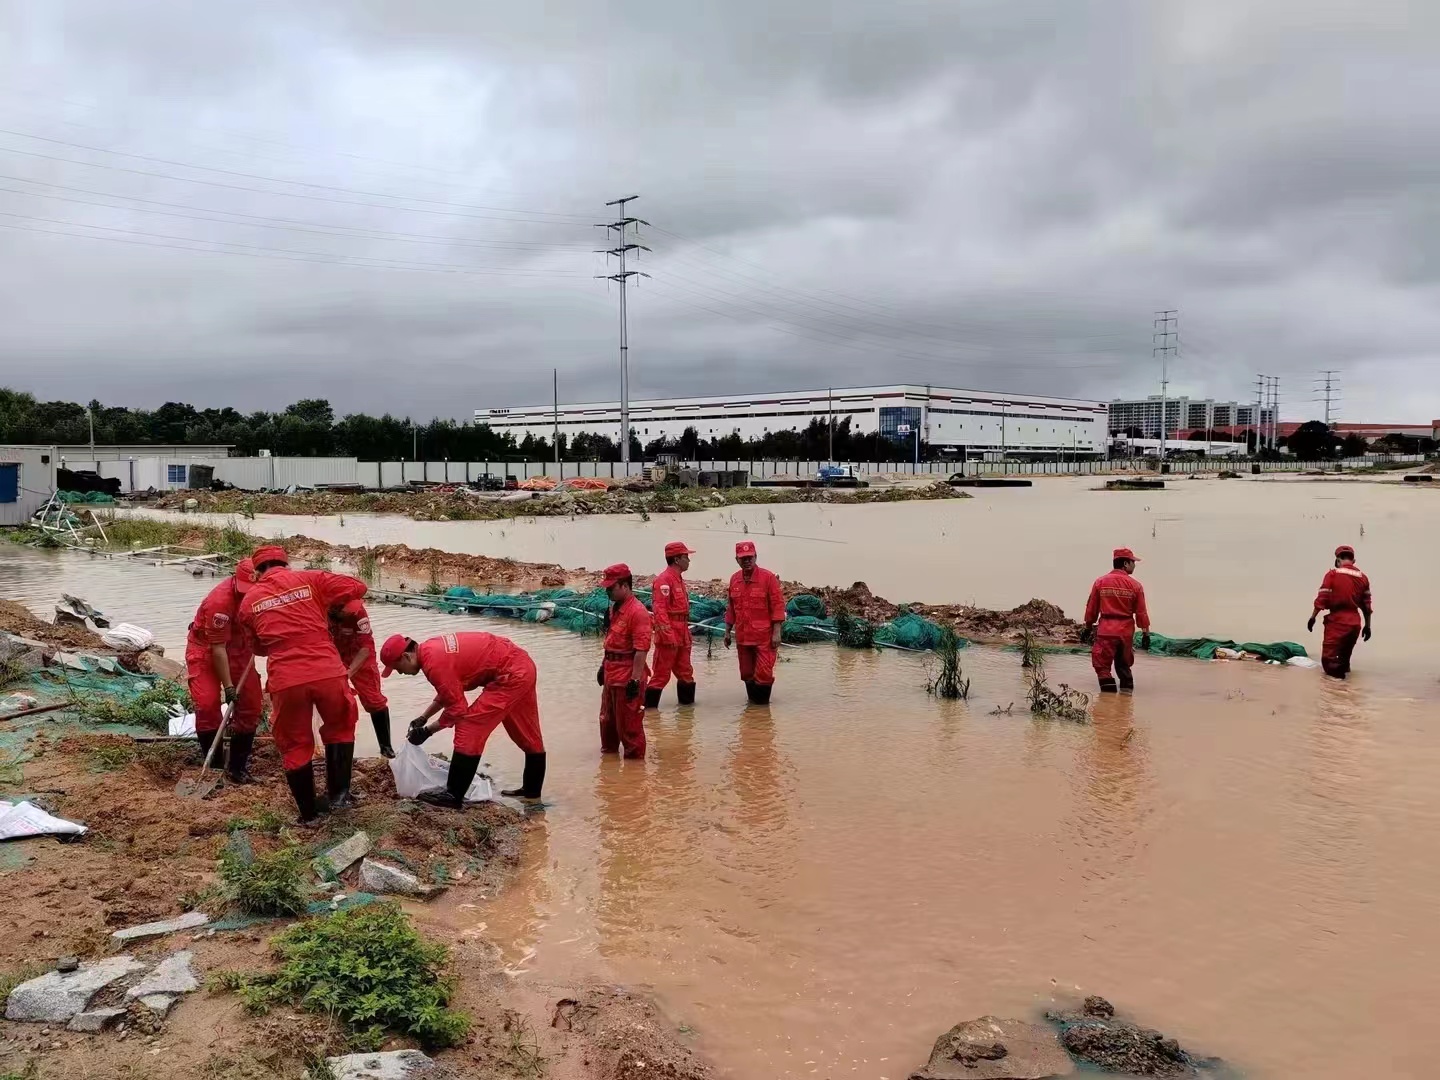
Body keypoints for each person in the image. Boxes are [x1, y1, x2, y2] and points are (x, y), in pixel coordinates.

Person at [237, 545, 367, 824]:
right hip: (326, 668)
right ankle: (340, 797)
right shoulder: (312, 579)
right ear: (286, 563)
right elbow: (357, 586)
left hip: (286, 677)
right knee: (341, 726)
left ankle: (308, 814)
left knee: (295, 743)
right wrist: (324, 603)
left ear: (258, 572)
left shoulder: (249, 601)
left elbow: (258, 648)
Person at [380, 631, 546, 805]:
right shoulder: (430, 649)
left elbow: (457, 709)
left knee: (469, 726)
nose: (400, 673)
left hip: (510, 675)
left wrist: (427, 731)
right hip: (522, 665)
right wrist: (424, 717)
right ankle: (532, 794)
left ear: (406, 656)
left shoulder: (434, 664)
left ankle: (454, 795)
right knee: (528, 732)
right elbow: (449, 692)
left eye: (398, 668)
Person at [184, 558, 263, 784]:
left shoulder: (264, 595)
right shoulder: (220, 602)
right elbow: (218, 650)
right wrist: (228, 687)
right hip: (206, 649)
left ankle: (238, 768)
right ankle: (216, 768)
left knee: (251, 705)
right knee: (207, 704)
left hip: (240, 650)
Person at [330, 597, 395, 758]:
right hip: (333, 653)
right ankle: (339, 749)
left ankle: (386, 747)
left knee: (374, 701)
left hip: (360, 654)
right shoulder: (321, 610)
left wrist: (349, 672)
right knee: (334, 700)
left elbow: (365, 648)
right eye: (347, 610)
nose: (352, 612)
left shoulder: (359, 613)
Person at [598, 563, 651, 758]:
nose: (608, 592)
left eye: (611, 588)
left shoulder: (638, 613)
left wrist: (635, 681)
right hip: (611, 673)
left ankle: (635, 775)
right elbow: (611, 642)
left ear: (625, 586)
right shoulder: (614, 609)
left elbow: (641, 649)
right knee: (607, 724)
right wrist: (603, 666)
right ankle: (610, 776)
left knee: (630, 730)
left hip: (627, 676)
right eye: (606, 588)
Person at [1082, 547, 1151, 693]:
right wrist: (1146, 634)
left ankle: (1108, 703)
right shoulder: (1136, 586)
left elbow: (1091, 609)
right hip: (1125, 632)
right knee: (1124, 665)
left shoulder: (1100, 582)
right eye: (1133, 562)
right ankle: (1126, 704)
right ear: (1125, 564)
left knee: (1102, 667)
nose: (1134, 565)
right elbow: (1141, 613)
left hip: (1106, 630)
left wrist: (1087, 628)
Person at [723, 541, 785, 705]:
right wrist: (727, 631)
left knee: (764, 674)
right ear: (737, 559)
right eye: (743, 558)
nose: (747, 561)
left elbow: (778, 605)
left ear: (756, 557)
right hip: (743, 637)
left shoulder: (768, 578)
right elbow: (731, 608)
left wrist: (777, 632)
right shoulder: (734, 580)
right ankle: (752, 712)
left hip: (764, 637)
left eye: (750, 557)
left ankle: (762, 714)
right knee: (746, 673)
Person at [1308, 544, 1372, 679]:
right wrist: (1368, 626)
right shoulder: (1363, 578)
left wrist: (1313, 617)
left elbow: (1322, 598)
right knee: (1344, 661)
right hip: (1355, 623)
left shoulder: (1332, 574)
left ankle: (1335, 695)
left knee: (1329, 663)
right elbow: (1367, 606)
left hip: (1337, 622)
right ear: (1353, 561)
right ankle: (1348, 692)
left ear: (1338, 560)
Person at [646, 541, 697, 708]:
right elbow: (660, 611)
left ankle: (687, 715)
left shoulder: (678, 579)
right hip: (670, 633)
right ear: (676, 559)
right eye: (686, 557)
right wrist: (668, 635)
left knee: (686, 673)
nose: (688, 560)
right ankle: (648, 713)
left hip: (682, 631)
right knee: (661, 675)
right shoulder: (664, 581)